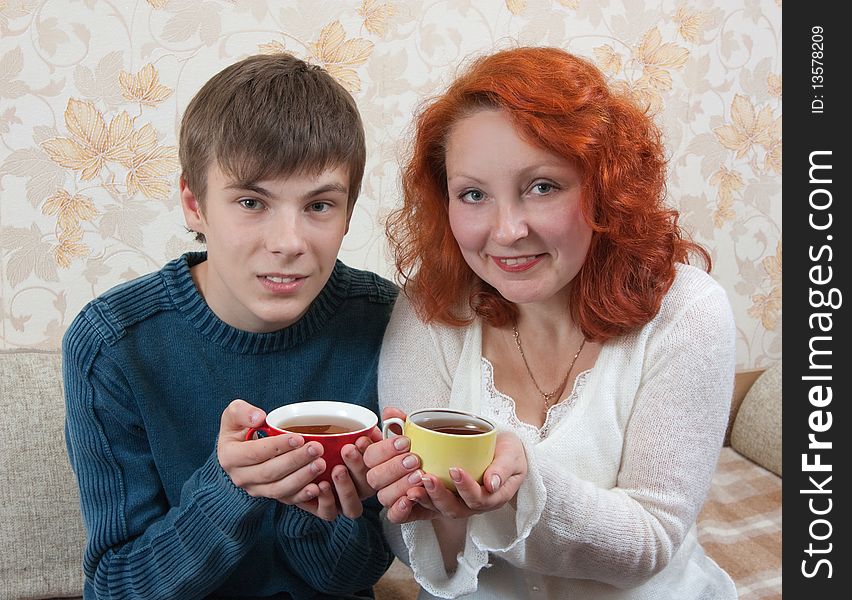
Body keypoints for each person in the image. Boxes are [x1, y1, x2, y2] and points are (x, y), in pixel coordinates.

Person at [363, 46, 737, 599]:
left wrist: (525, 487)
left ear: (603, 186)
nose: (508, 230)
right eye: (473, 194)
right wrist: (425, 507)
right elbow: (417, 549)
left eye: (542, 186)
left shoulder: (687, 311)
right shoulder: (430, 306)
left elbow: (652, 539)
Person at [62, 53, 396, 599]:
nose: (288, 242)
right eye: (251, 202)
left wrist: (336, 510)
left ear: (349, 212)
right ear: (195, 204)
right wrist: (230, 490)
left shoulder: (383, 324)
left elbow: (348, 579)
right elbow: (115, 588)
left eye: (319, 205)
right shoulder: (113, 344)